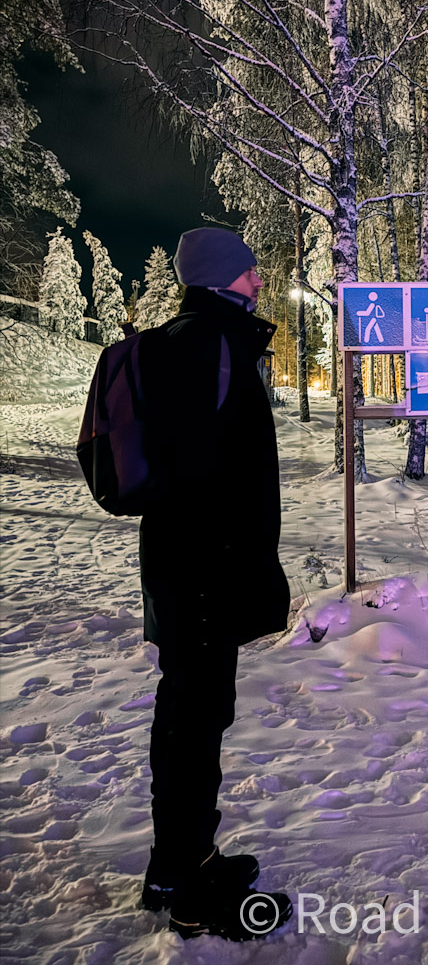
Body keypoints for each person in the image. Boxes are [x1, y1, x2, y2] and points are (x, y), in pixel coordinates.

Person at [138, 227, 292, 940]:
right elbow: (213, 474)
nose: (260, 280)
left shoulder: (181, 341)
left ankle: (179, 863)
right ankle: (193, 893)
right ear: (224, 277)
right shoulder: (213, 347)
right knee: (196, 719)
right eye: (251, 271)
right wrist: (245, 564)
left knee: (188, 713)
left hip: (179, 561)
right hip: (206, 566)